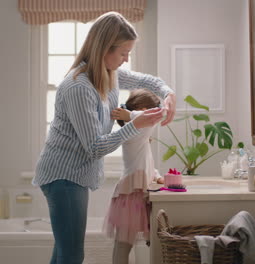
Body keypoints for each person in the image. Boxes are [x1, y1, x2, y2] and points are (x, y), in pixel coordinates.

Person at [32, 12, 176, 264]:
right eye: (122, 53)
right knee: (72, 253)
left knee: (64, 251)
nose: (126, 59)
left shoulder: (109, 73)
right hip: (62, 176)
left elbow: (147, 80)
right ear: (104, 49)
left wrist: (168, 93)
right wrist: (136, 123)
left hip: (73, 175)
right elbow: (95, 147)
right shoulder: (78, 87)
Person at [103, 89, 165, 264]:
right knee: (124, 243)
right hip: (130, 194)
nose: (153, 117)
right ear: (142, 110)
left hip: (136, 192)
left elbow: (144, 159)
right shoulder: (134, 130)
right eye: (149, 111)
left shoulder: (140, 133)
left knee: (132, 241)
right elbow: (159, 114)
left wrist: (156, 175)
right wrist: (131, 114)